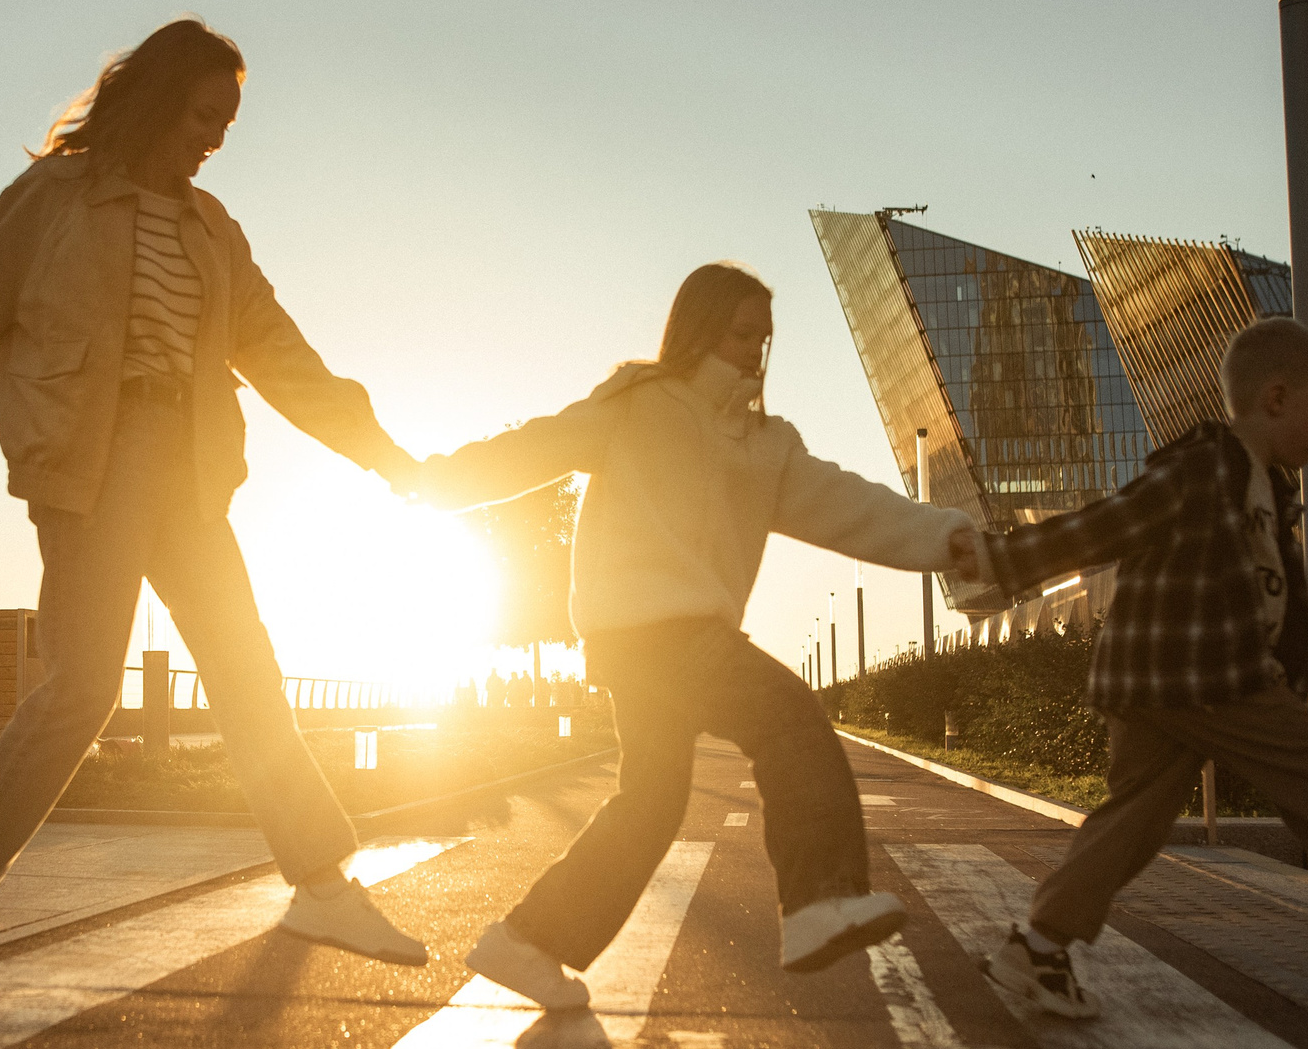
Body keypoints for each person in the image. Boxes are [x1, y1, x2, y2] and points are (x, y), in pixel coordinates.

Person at [0, 18, 427, 1007]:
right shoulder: (54, 200)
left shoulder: (212, 229)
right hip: (92, 459)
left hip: (189, 469)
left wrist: (384, 455)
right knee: (84, 687)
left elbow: (285, 357)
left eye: (228, 121)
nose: (217, 137)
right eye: (204, 114)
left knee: (246, 672)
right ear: (155, 101)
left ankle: (322, 885)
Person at [413, 262, 978, 1010]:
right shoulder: (637, 404)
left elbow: (851, 505)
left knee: (652, 802)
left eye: (764, 339)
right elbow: (532, 448)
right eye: (741, 333)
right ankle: (818, 899)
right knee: (787, 716)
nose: (755, 352)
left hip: (671, 640)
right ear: (700, 328)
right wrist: (430, 481)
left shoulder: (766, 444)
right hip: (649, 633)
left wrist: (947, 538)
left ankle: (527, 942)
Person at [972, 317, 1308, 1018]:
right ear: (1276, 397)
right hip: (1204, 673)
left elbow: (1289, 618)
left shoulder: (1272, 494)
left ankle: (1038, 947)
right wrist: (1002, 558)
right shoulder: (1206, 468)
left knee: (1132, 823)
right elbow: (1110, 523)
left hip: (1151, 682)